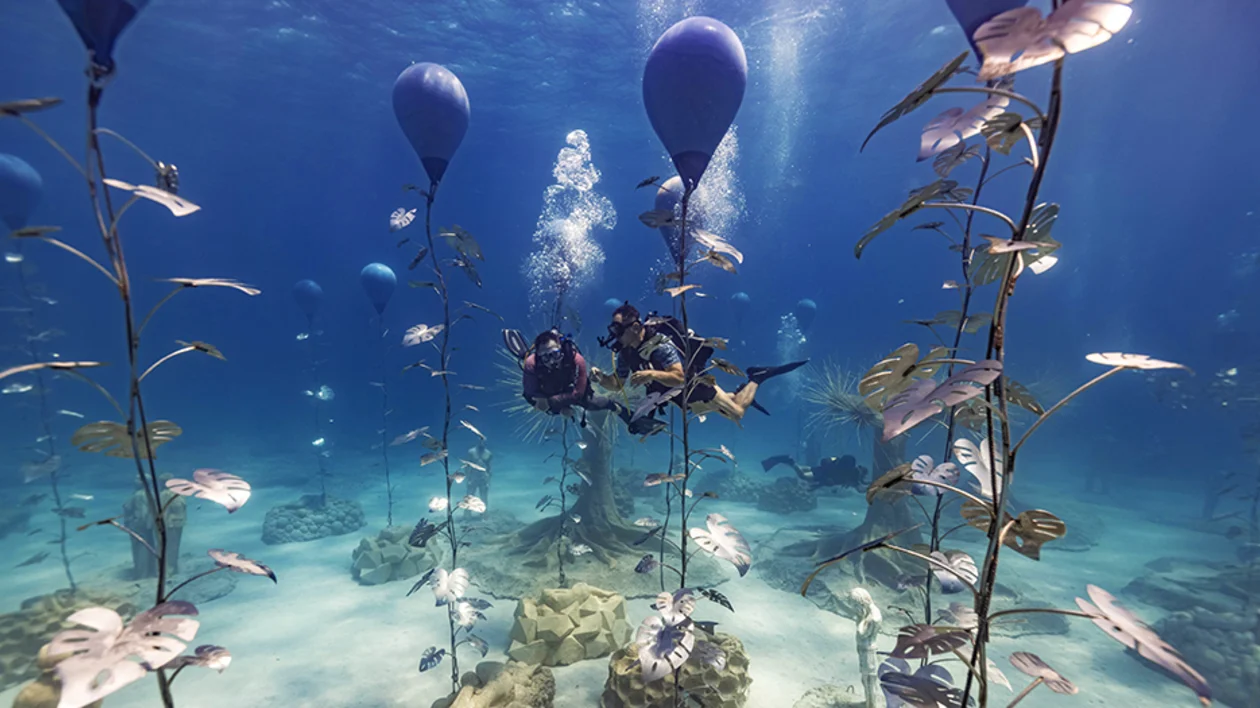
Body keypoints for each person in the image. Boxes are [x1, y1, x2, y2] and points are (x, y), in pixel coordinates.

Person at [592, 302, 807, 425]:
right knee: (722, 405)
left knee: (736, 413)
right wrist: (601, 378)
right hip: (678, 396)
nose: (614, 334)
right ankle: (739, 392)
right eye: (613, 329)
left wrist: (651, 375)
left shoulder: (660, 345)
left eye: (618, 329)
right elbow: (616, 384)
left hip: (695, 383)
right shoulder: (625, 354)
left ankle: (756, 378)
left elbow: (679, 376)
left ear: (635, 327)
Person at [521, 329, 637, 428]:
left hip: (570, 387)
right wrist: (557, 409)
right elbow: (530, 394)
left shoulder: (576, 358)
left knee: (591, 403)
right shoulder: (531, 363)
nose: (552, 361)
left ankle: (617, 408)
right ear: (538, 356)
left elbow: (578, 394)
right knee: (540, 403)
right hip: (549, 391)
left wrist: (550, 402)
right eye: (546, 357)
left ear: (560, 349)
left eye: (555, 354)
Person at [465, 441, 492, 506]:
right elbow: (467, 465)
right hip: (473, 477)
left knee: (484, 497)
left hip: (483, 477)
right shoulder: (471, 452)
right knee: (470, 496)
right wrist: (468, 477)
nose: (481, 442)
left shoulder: (488, 453)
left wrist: (488, 480)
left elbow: (489, 467)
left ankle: (484, 511)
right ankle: (467, 511)